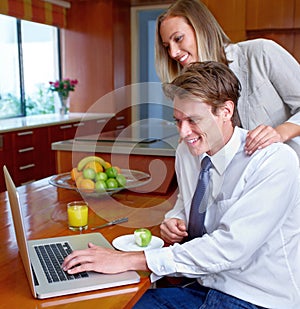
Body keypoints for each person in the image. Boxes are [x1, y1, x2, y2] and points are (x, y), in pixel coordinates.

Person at [62, 61, 300, 309]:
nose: (184, 132)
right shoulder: (187, 152)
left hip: (256, 298)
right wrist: (174, 218)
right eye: (178, 120)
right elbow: (185, 201)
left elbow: (230, 247)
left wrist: (129, 260)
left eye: (193, 120)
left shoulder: (273, 161)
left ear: (226, 111)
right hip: (204, 285)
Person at [155, 0, 300, 157]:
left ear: (202, 29)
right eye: (167, 46)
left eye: (178, 39)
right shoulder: (190, 88)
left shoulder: (261, 53)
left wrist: (280, 132)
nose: (173, 53)